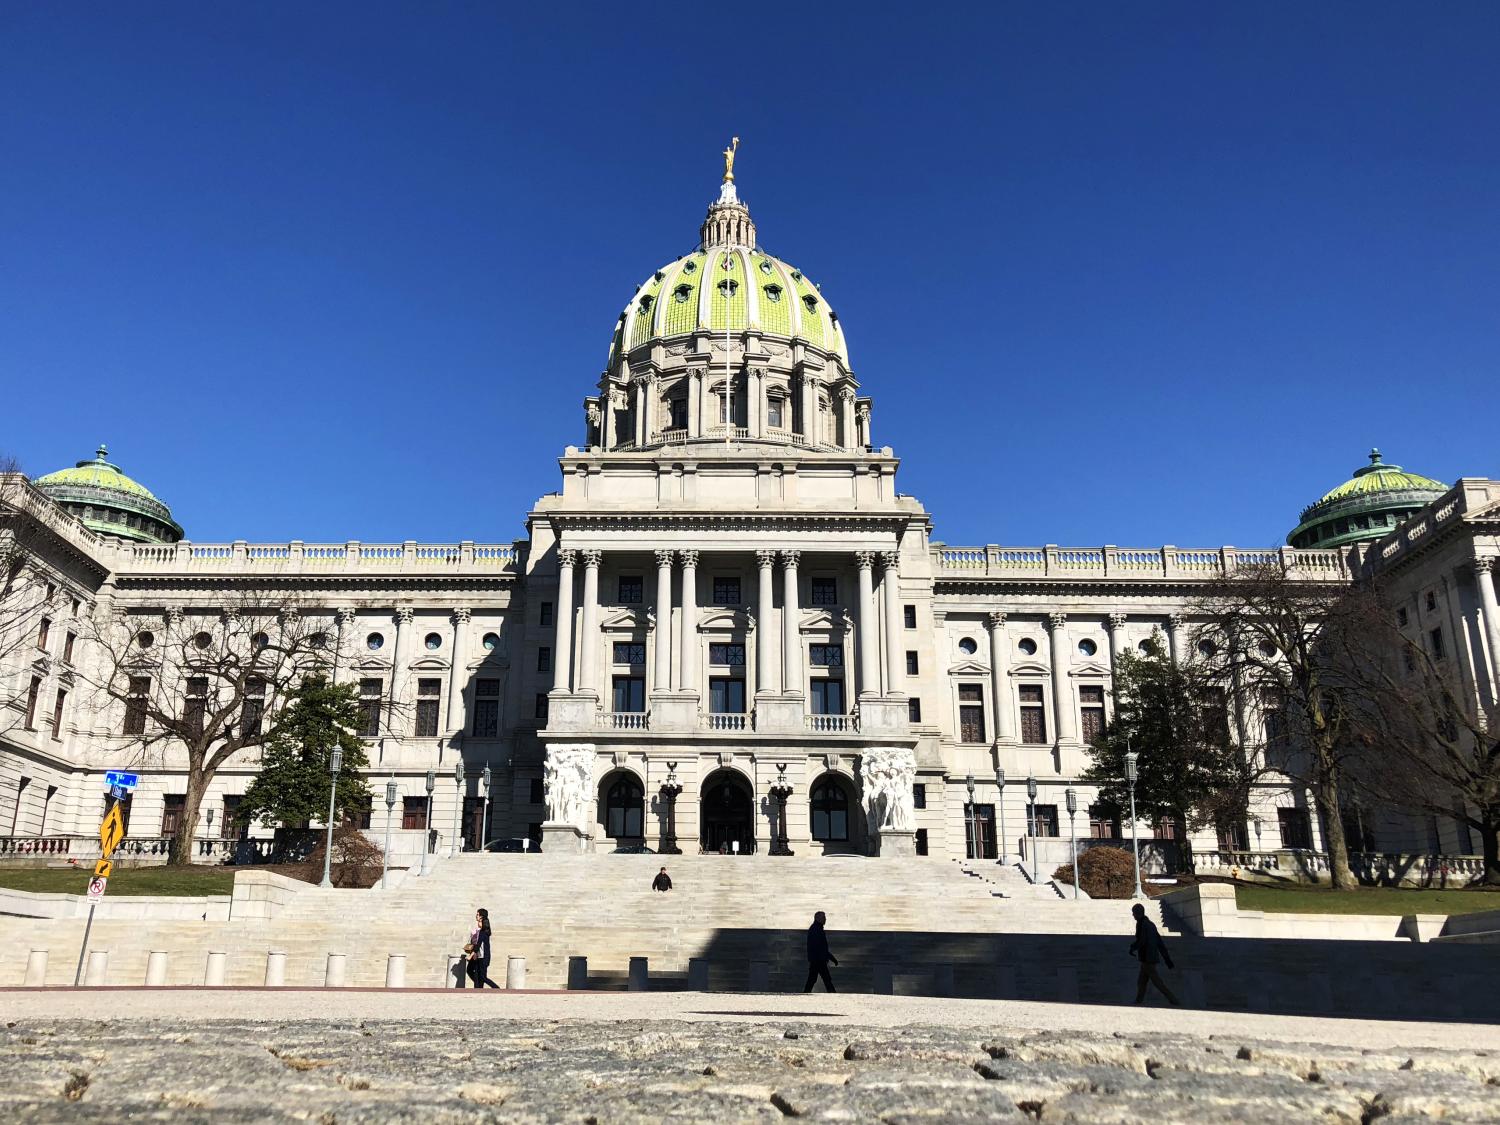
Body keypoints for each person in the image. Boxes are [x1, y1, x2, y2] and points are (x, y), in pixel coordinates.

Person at [1129, 902, 1179, 1005]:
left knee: (1157, 982)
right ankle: (1138, 1001)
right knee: (1141, 982)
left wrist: (1133, 947)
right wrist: (1167, 959)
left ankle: (1173, 999)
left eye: (1134, 913)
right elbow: (1159, 942)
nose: (1133, 915)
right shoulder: (1150, 924)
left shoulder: (1143, 924)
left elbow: (1142, 941)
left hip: (1148, 958)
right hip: (1147, 958)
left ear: (1138, 913)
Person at [803, 910, 838, 993]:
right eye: (823, 917)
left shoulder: (816, 928)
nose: (825, 919)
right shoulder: (816, 929)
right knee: (825, 979)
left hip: (817, 959)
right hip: (818, 960)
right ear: (818, 918)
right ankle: (833, 993)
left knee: (814, 979)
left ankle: (805, 993)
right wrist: (831, 958)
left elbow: (821, 947)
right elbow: (820, 947)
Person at [466, 907, 499, 989]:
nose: (476, 916)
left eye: (477, 915)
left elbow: (478, 945)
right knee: (477, 976)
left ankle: (496, 988)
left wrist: (470, 956)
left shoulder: (483, 931)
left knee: (483, 977)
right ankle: (478, 990)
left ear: (482, 918)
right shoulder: (483, 931)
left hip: (484, 957)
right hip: (480, 956)